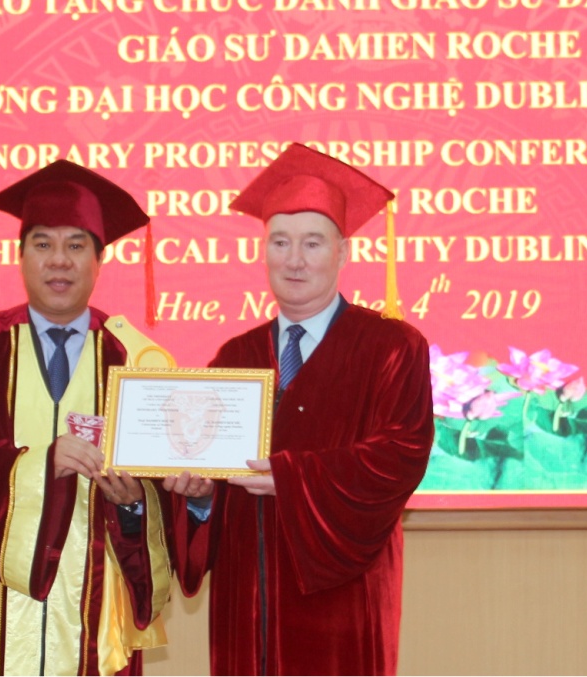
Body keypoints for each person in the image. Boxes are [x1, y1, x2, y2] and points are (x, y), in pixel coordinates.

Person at [165, 143, 435, 675]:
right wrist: (200, 497)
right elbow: (213, 473)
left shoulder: (391, 348)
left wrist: (292, 477)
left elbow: (400, 456)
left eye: (313, 243)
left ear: (343, 253)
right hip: (247, 593)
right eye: (280, 242)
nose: (294, 260)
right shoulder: (234, 357)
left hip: (342, 594)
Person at [0, 160, 175, 676]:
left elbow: (162, 493)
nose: (59, 260)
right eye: (43, 244)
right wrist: (44, 463)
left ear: (100, 260)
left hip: (99, 607)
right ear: (20, 256)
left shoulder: (137, 360)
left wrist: (133, 504)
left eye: (76, 246)